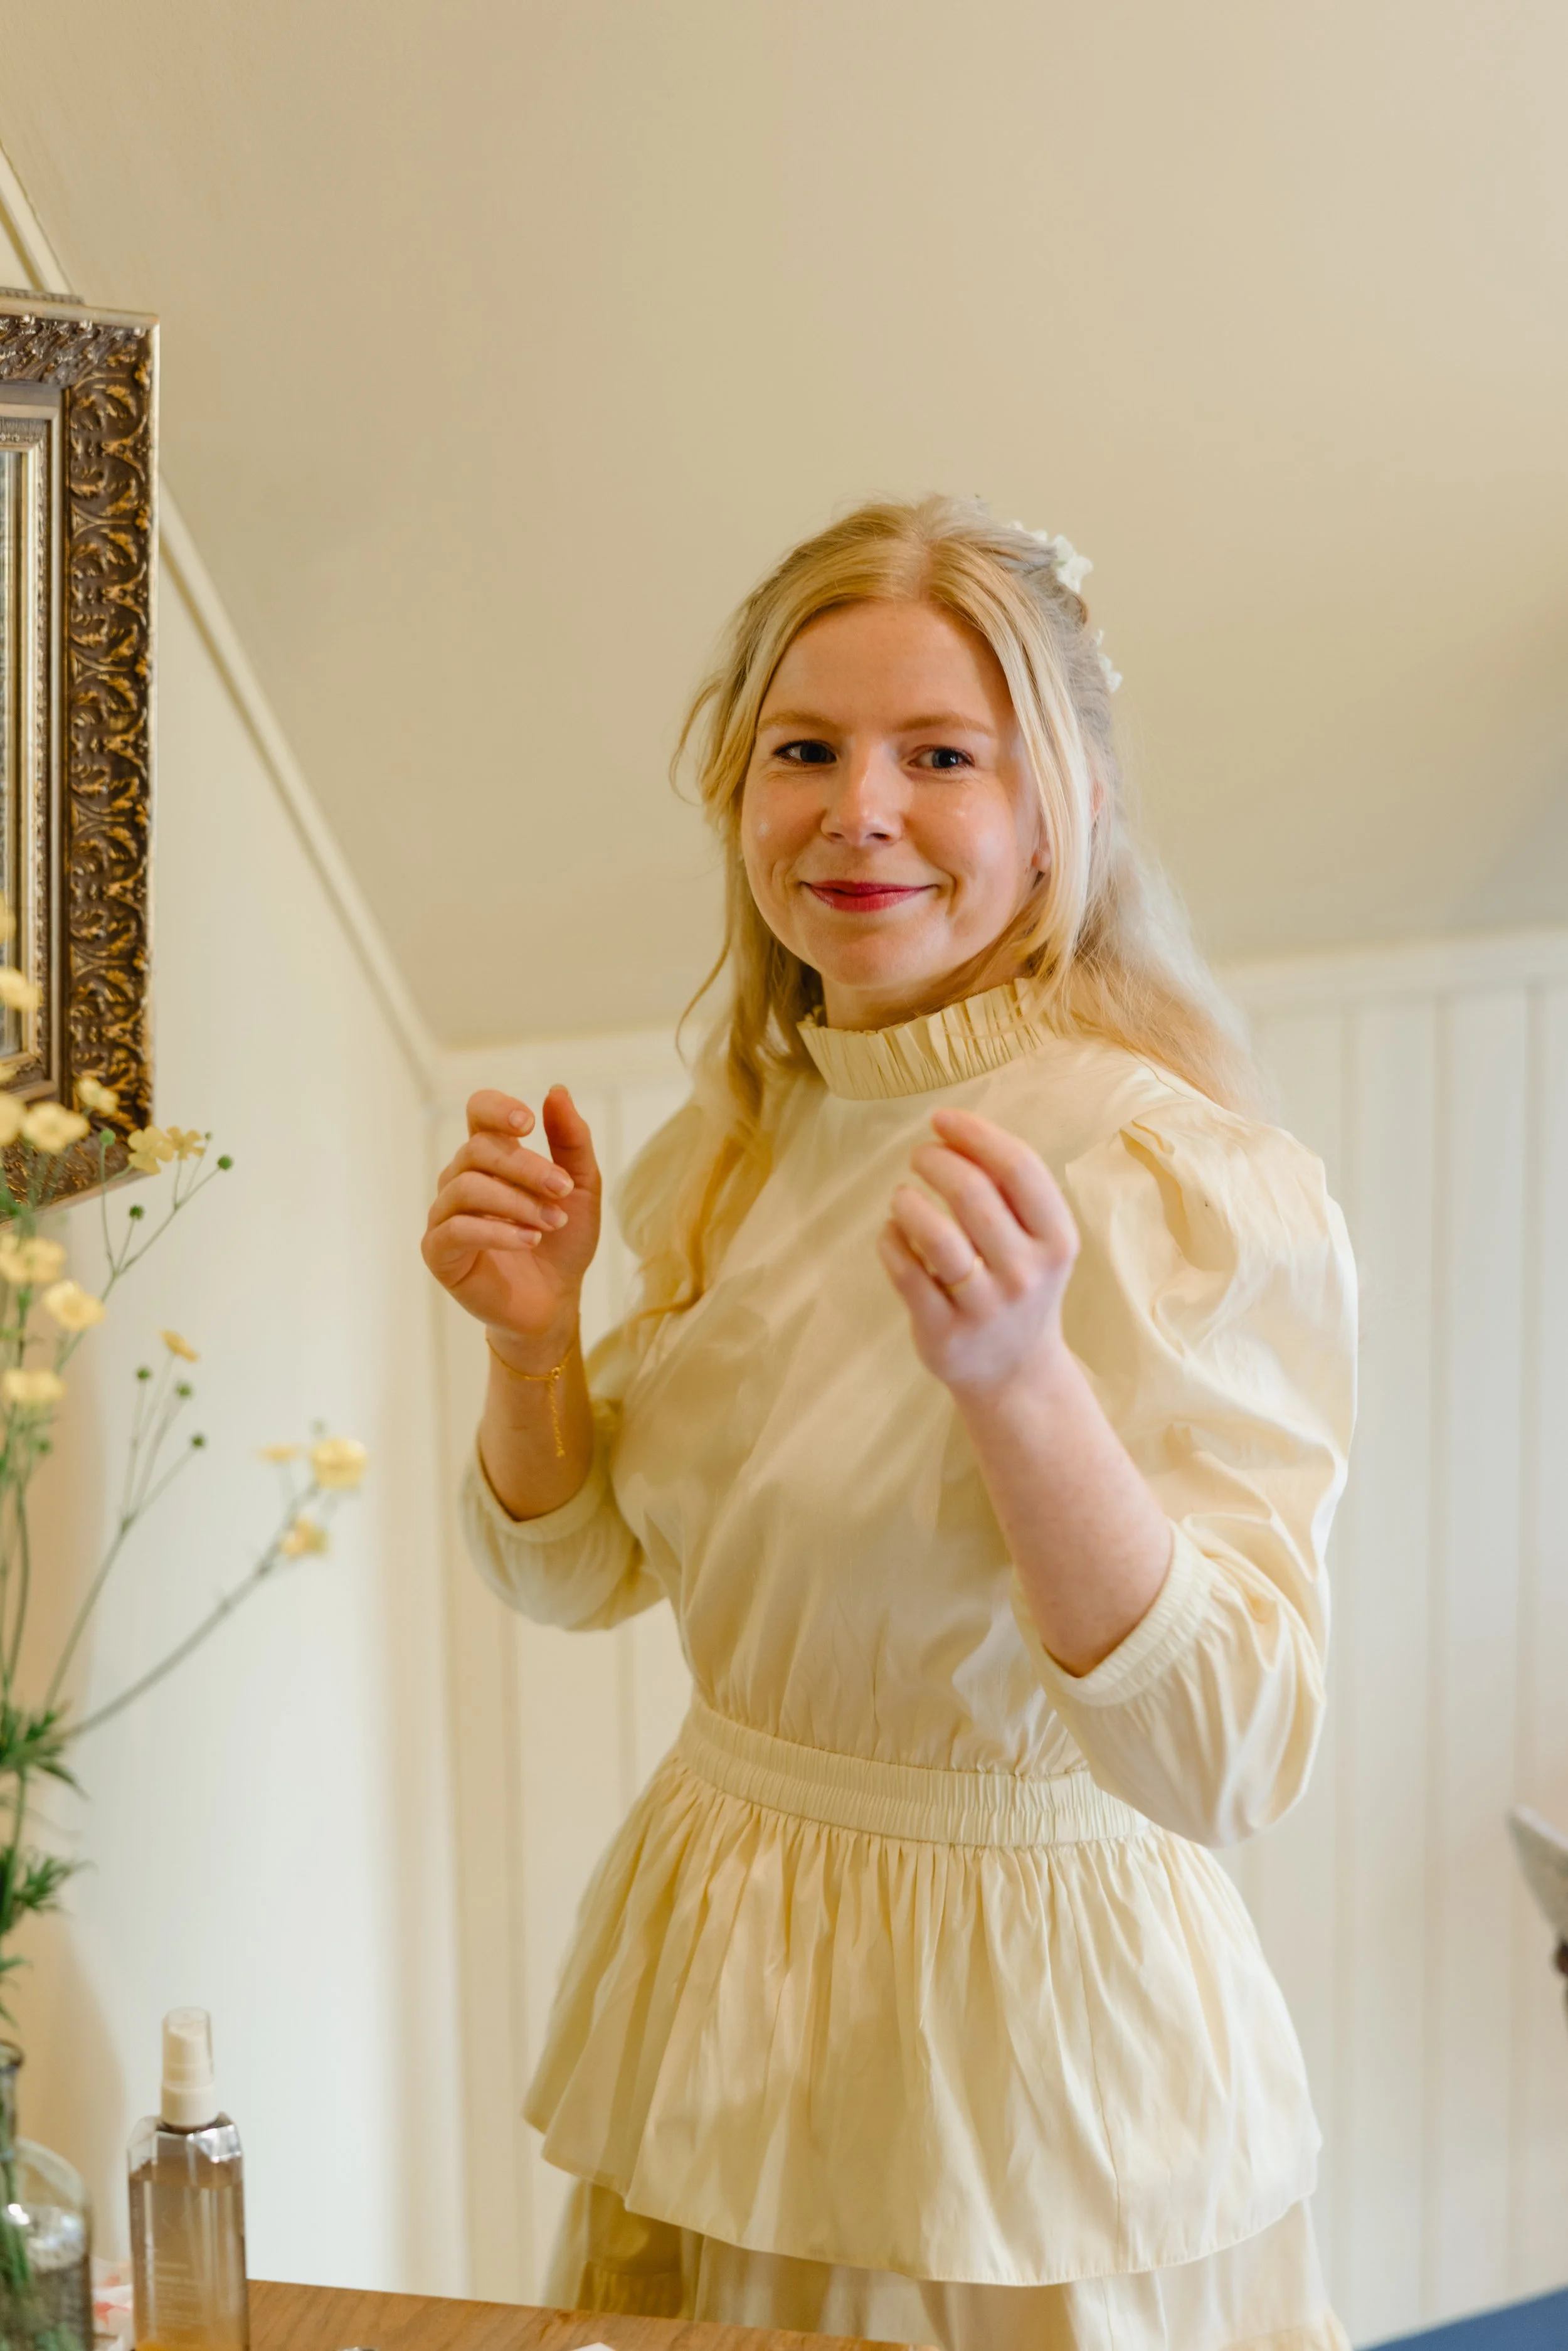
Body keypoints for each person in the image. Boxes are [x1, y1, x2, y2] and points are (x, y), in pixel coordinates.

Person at [422, 498, 1357, 2351]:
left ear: (1050, 814)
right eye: (804, 749)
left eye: (941, 754)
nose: (859, 807)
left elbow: (1231, 1750)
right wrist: (533, 1352)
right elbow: (584, 1569)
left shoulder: (1173, 1170)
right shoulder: (738, 1139)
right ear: (735, 790)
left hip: (1015, 2063)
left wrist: (1021, 1389)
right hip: (729, 1992)